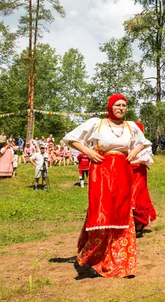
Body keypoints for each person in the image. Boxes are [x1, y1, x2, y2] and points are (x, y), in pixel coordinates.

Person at [62, 94, 151, 278]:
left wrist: (133, 152)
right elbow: (70, 138)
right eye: (118, 105)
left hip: (122, 171)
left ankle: (121, 261)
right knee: (102, 211)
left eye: (124, 105)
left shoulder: (131, 126)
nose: (121, 108)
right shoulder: (97, 123)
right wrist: (88, 152)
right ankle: (95, 260)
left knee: (122, 211)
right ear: (110, 106)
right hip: (101, 170)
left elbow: (144, 142)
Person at [130, 122, 157, 238]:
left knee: (138, 197)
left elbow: (146, 159)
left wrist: (131, 162)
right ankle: (129, 225)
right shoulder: (127, 142)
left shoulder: (144, 143)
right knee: (127, 197)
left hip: (138, 173)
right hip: (127, 173)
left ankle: (139, 226)